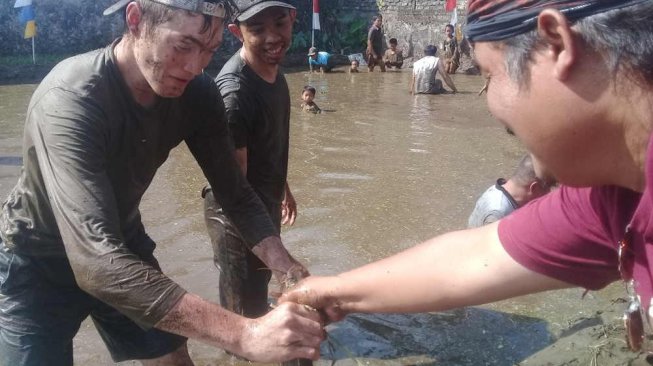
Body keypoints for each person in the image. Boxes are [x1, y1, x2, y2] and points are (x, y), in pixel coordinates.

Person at [283, 0, 653, 355]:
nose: (490, 102)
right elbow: (475, 258)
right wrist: (331, 292)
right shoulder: (609, 197)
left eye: (488, 75)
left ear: (555, 44)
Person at [0, 0, 324, 365]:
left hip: (121, 245)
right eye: (184, 45)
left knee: (173, 360)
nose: (195, 66)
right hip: (38, 261)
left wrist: (289, 270)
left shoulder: (198, 94)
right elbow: (93, 258)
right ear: (136, 19)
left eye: (210, 50)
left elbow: (236, 195)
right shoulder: (71, 100)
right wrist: (244, 333)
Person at [204, 3, 315, 366]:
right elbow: (234, 193)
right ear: (237, 32)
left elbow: (271, 144)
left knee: (259, 299)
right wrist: (282, 260)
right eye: (257, 29)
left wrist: (284, 188)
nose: (272, 38)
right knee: (242, 325)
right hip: (235, 219)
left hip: (264, 202)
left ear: (292, 20)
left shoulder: (274, 72)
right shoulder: (234, 94)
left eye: (279, 23)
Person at [468, 154, 553, 228]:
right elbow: (489, 244)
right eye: (549, 186)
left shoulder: (501, 190)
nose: (549, 192)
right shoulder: (499, 213)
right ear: (534, 187)